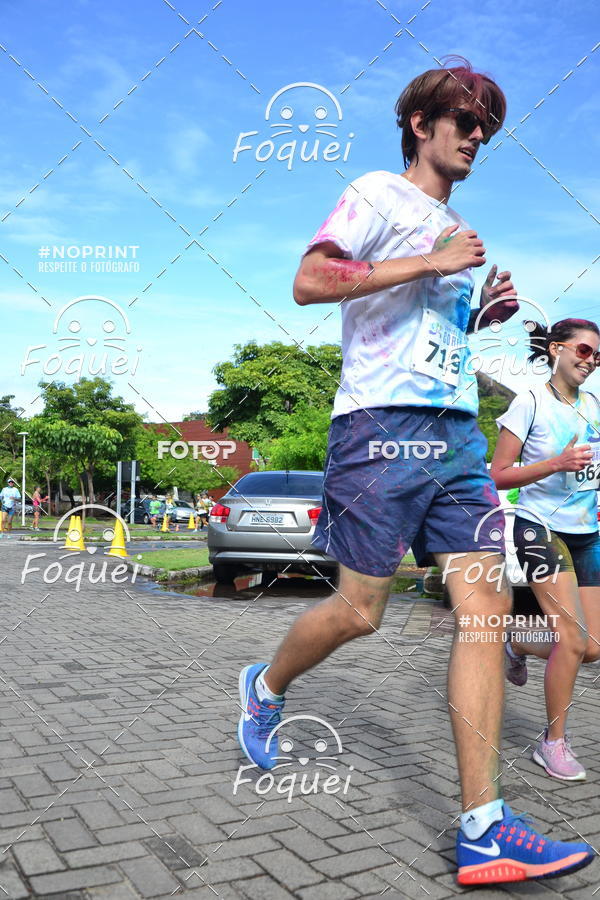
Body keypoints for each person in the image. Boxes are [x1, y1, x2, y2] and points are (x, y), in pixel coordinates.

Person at [236, 60, 595, 884]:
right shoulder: (375, 194)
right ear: (419, 125)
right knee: (361, 610)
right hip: (377, 429)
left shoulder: (457, 227)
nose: (475, 137)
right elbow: (311, 280)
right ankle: (265, 682)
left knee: (484, 616)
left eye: (486, 129)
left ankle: (484, 826)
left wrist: (477, 310)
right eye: (463, 121)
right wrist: (431, 264)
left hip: (456, 437)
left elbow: (426, 330)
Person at [491, 318, 600, 781]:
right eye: (582, 350)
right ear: (555, 349)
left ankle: (516, 642)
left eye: (596, 356)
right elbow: (496, 474)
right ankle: (552, 743)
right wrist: (556, 463)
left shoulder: (594, 406)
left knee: (591, 646)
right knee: (572, 641)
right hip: (540, 529)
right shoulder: (529, 402)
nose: (589, 360)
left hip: (586, 531)